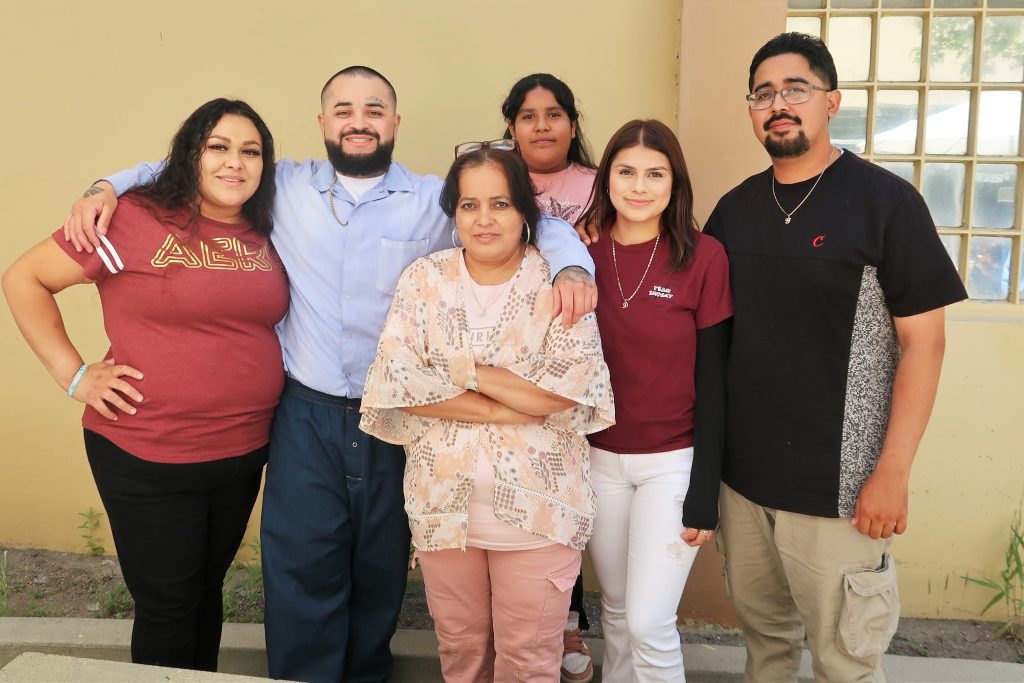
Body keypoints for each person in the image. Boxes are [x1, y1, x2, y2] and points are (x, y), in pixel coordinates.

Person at [63, 66, 597, 683]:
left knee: (379, 572)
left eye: (374, 109)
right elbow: (189, 169)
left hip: (397, 418)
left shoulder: (434, 200)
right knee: (299, 570)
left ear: (395, 123)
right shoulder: (281, 185)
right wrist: (107, 185)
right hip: (305, 415)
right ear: (322, 123)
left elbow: (533, 217)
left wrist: (571, 268)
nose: (359, 120)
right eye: (343, 109)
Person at [701, 33, 967, 682]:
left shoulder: (886, 204)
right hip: (745, 486)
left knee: (846, 661)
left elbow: (924, 343)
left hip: (842, 491)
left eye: (796, 89)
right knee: (764, 650)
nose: (779, 103)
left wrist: (894, 471)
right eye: (764, 93)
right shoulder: (734, 212)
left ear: (832, 102)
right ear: (752, 111)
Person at [2, 99, 286, 672]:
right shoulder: (133, 218)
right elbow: (25, 278)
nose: (236, 163)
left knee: (206, 595)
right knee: (167, 606)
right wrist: (75, 375)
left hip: (243, 451)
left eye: (250, 151)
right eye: (219, 147)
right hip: (148, 451)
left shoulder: (269, 229)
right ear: (191, 155)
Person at [360, 144, 614, 682]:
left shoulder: (559, 282)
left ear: (526, 210)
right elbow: (396, 381)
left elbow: (566, 391)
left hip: (540, 513)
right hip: (443, 510)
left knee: (528, 664)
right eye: (469, 205)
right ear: (453, 212)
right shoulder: (424, 280)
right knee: (462, 657)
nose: (484, 219)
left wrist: (463, 370)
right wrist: (510, 404)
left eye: (499, 203)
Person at [578, 119, 732, 682]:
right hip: (596, 461)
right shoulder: (579, 251)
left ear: (674, 183)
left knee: (648, 621)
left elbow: (716, 380)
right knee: (616, 613)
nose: (639, 187)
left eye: (654, 173)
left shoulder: (703, 258)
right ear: (607, 178)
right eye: (626, 172)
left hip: (672, 462)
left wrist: (704, 492)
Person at [500, 71, 599, 683]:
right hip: (506, 359)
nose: (542, 125)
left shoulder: (600, 185)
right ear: (510, 125)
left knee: (568, 498)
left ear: (572, 123)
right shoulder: (496, 180)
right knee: (515, 497)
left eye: (554, 113)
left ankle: (567, 621)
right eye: (529, 115)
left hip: (576, 355)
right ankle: (510, 622)